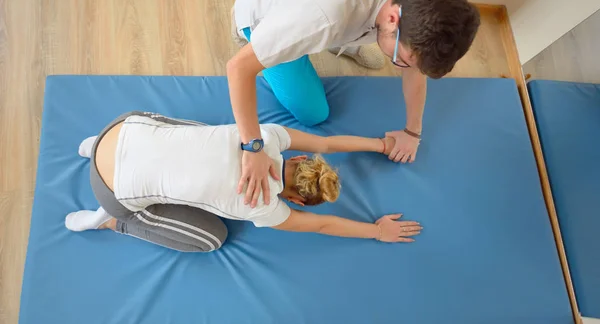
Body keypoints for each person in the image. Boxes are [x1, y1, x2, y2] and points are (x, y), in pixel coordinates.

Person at [228, 0, 480, 207]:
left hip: (328, 14)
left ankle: (344, 41)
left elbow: (415, 67)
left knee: (347, 32)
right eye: (400, 60)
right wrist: (253, 148)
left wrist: (412, 132)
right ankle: (274, 52)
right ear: (393, 20)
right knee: (313, 113)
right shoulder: (321, 16)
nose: (402, 66)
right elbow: (238, 68)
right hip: (265, 19)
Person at [65, 111, 422, 252]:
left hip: (120, 125)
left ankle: (91, 146)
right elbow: (324, 224)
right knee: (212, 239)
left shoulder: (269, 137)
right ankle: (112, 222)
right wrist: (376, 232)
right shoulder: (267, 208)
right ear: (297, 200)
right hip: (111, 192)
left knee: (215, 136)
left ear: (300, 159)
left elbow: (327, 143)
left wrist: (382, 145)